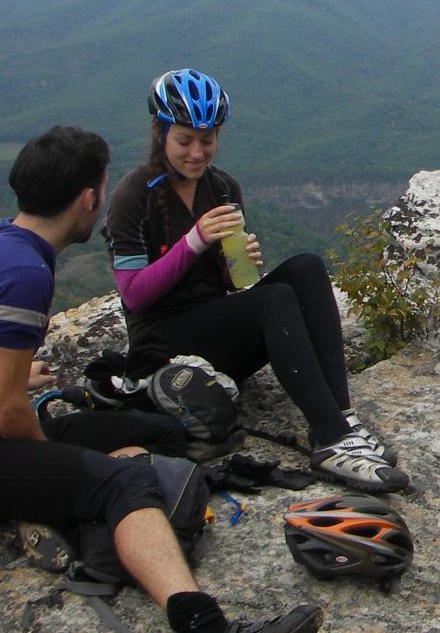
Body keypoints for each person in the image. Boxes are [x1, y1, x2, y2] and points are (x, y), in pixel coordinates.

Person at [0, 126, 322, 633]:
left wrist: (18, 377)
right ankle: (203, 622)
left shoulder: (9, 247)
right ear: (89, 198)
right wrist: (55, 469)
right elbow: (7, 413)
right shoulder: (26, 273)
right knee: (126, 481)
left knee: (163, 436)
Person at [103, 69, 406, 492]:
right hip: (163, 351)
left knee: (306, 267)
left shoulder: (222, 187)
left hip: (212, 339)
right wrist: (193, 241)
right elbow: (135, 296)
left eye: (207, 140)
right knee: (274, 299)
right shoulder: (134, 195)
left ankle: (339, 418)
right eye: (184, 140)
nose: (197, 153)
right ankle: (334, 442)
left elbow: (229, 289)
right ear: (160, 134)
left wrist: (237, 266)